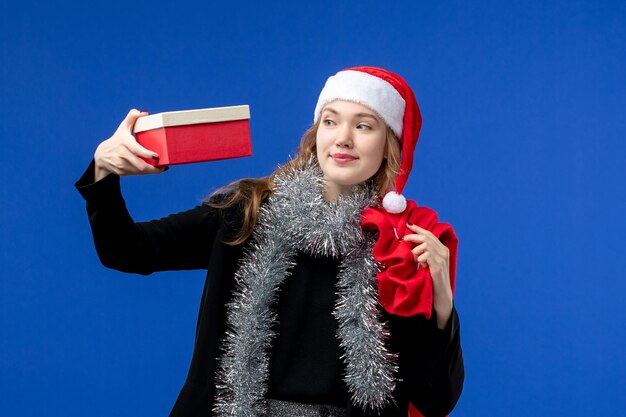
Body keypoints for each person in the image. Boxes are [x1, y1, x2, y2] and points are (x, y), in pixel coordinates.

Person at [76, 66, 464, 417]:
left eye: (364, 126)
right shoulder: (247, 211)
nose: (343, 138)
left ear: (388, 146)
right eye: (331, 121)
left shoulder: (399, 246)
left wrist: (443, 302)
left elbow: (435, 400)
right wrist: (103, 173)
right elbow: (128, 251)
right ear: (317, 135)